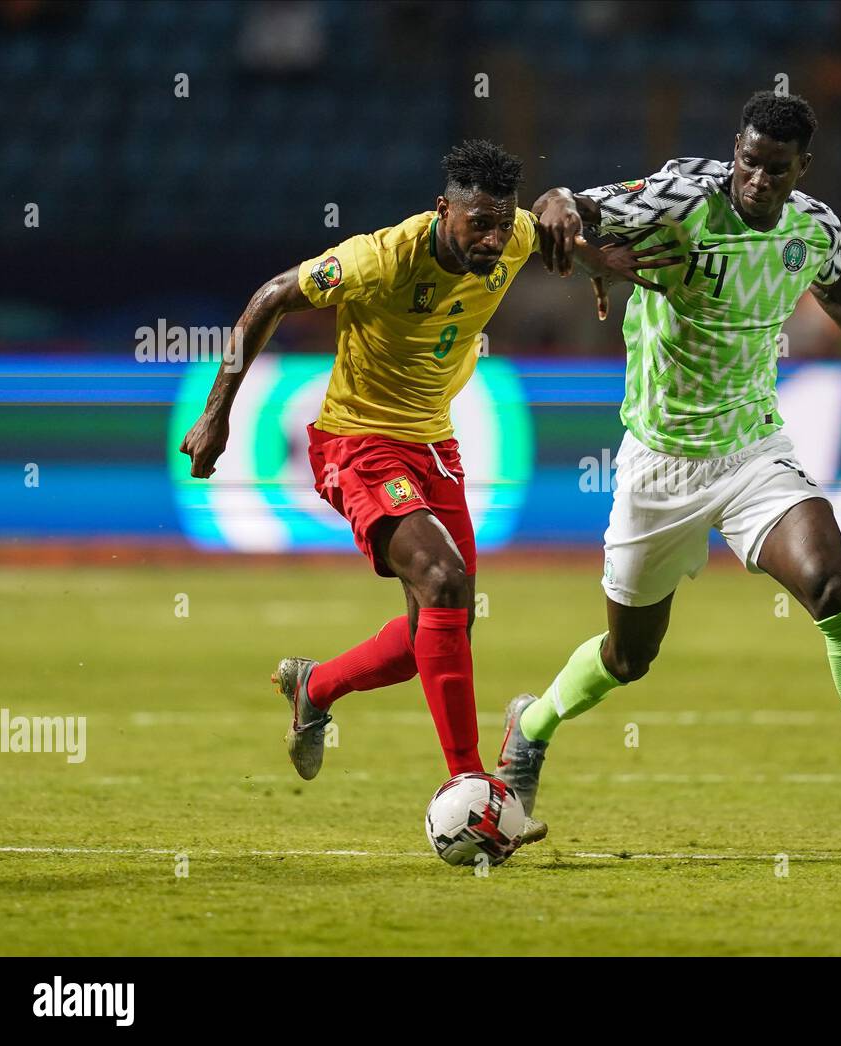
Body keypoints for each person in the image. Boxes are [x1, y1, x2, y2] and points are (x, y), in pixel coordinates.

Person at [505, 92, 841, 856]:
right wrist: (571, 227)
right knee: (629, 658)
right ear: (736, 149)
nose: (757, 179)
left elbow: (835, 284)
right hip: (659, 462)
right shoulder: (682, 195)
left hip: (752, 451)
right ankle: (531, 725)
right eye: (749, 162)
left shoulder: (812, 226)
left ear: (800, 170)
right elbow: (573, 204)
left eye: (775, 171)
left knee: (831, 587)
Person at [179, 140, 664, 846]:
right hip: (359, 443)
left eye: (502, 226)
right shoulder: (379, 258)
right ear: (445, 211)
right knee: (443, 580)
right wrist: (217, 409)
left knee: (428, 636)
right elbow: (271, 297)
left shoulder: (517, 232)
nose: (495, 241)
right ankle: (473, 784)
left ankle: (316, 688)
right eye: (479, 225)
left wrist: (601, 266)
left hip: (435, 445)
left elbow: (560, 238)